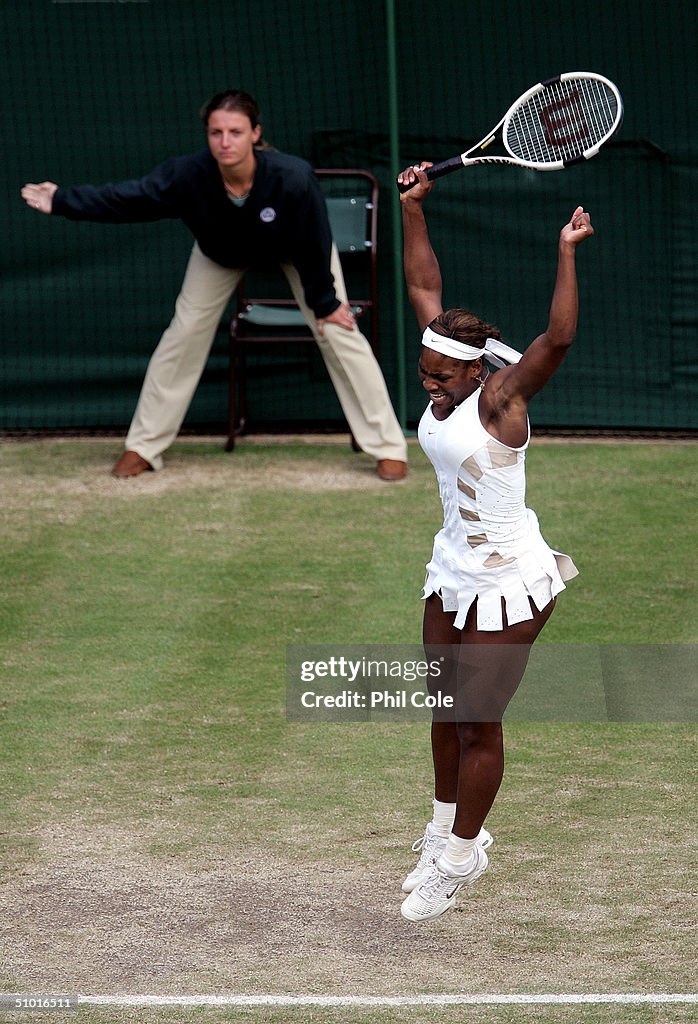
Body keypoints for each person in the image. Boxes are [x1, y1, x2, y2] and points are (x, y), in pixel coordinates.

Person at [20, 90, 408, 482]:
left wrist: (324, 302)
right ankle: (143, 446)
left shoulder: (292, 177)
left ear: (255, 133)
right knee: (183, 335)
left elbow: (314, 239)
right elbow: (129, 199)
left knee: (339, 330)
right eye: (216, 132)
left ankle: (388, 447)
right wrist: (63, 200)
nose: (225, 142)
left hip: (297, 251)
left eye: (235, 132)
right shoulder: (188, 176)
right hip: (220, 253)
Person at [396, 161, 593, 922]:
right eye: (424, 373)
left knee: (478, 721)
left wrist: (565, 252)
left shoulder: (503, 399)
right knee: (444, 709)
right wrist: (415, 209)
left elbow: (558, 338)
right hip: (452, 566)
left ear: (476, 369)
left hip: (509, 580)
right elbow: (424, 287)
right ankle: (443, 828)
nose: (431, 385)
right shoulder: (445, 358)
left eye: (442, 377)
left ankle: (462, 856)